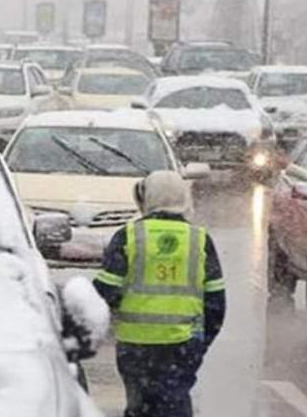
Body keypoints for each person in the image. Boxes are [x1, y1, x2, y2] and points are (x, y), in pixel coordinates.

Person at [93, 170, 226, 417]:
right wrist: (200, 343)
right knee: (175, 405)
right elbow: (216, 303)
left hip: (136, 347)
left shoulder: (129, 236)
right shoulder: (200, 240)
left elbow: (104, 293)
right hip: (182, 346)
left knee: (139, 407)